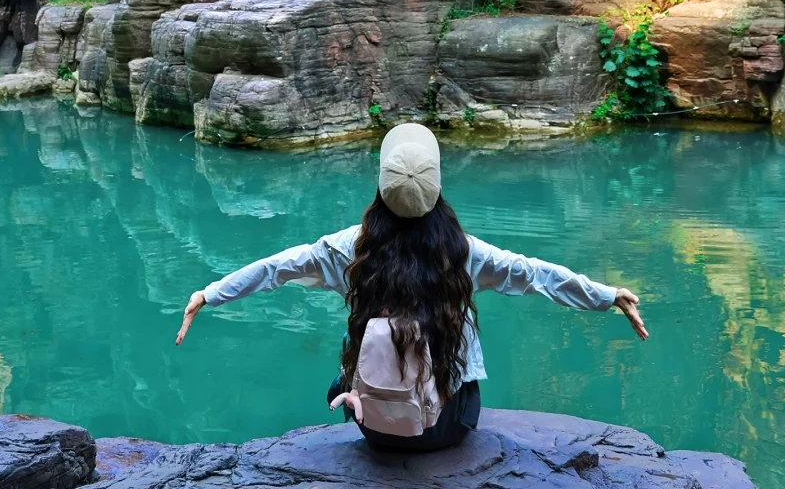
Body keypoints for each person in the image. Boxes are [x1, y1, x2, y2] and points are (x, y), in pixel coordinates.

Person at [175, 123, 648, 452]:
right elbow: (533, 274)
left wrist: (209, 293)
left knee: (355, 343)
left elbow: (276, 268)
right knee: (454, 337)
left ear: (381, 187)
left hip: (375, 429)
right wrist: (604, 295)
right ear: (437, 187)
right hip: (448, 430)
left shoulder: (348, 251)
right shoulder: (463, 254)